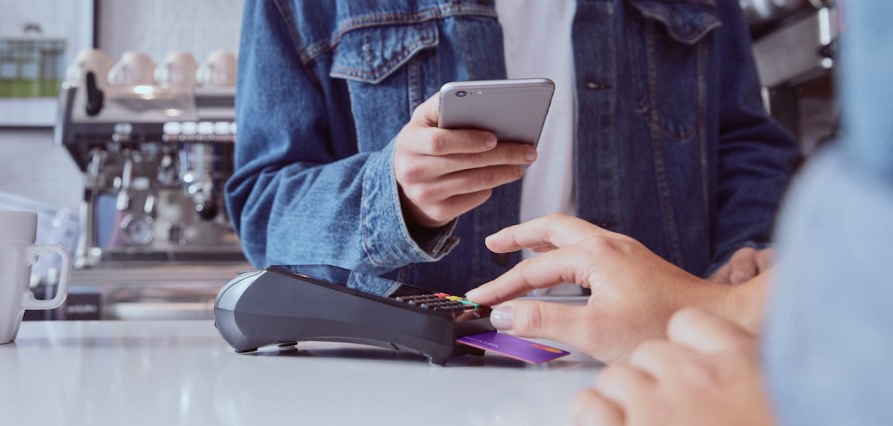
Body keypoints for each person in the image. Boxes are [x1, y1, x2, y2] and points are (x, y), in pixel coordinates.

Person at [468, 2, 893, 423]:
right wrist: (402, 202)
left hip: (671, 352)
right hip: (462, 369)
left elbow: (747, 141)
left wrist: (733, 274)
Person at [226, 0, 799, 295]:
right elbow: (262, 206)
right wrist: (392, 198)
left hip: (645, 366)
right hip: (415, 375)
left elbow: (747, 143)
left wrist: (743, 248)